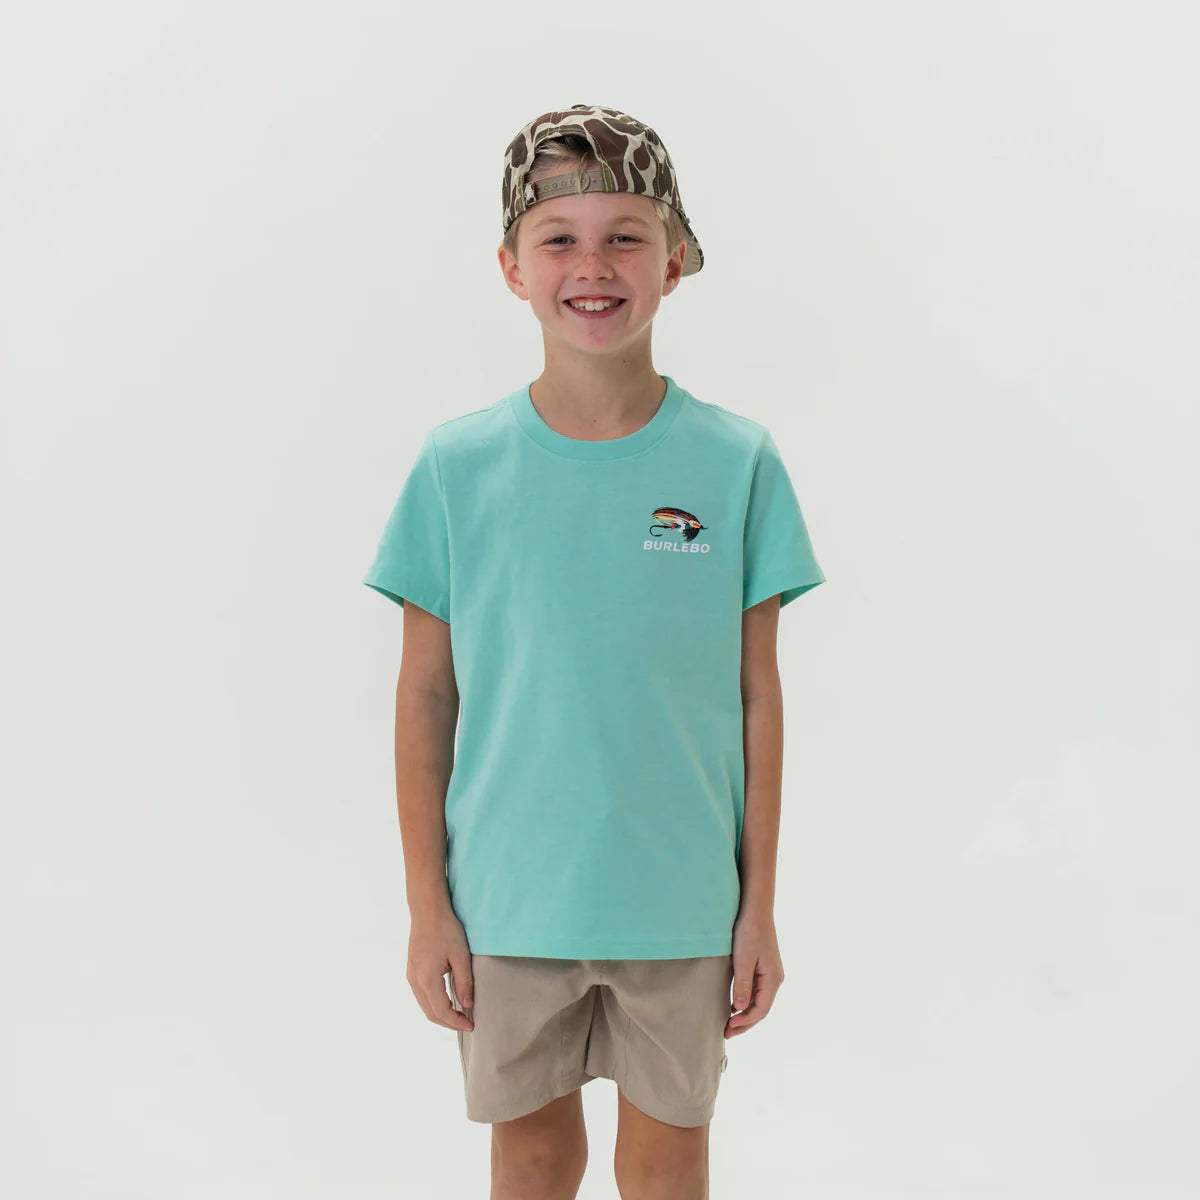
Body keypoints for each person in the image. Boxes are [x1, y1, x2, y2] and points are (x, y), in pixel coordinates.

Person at [362, 103, 827, 1199]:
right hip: (509, 903)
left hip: (681, 902)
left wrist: (757, 905)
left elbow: (757, 698)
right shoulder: (456, 468)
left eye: (626, 236)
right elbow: (425, 697)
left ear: (676, 259)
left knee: (667, 1165)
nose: (593, 266)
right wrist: (429, 907)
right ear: (511, 267)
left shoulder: (737, 463)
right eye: (559, 238)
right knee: (531, 1157)